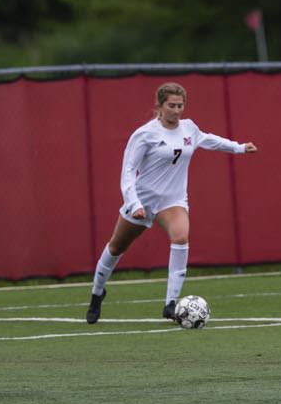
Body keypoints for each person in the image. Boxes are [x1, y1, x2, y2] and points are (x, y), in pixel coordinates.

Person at [85, 82, 256, 324]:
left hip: (172, 201)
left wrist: (239, 148)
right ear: (159, 106)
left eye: (180, 105)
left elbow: (209, 140)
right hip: (143, 201)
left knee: (181, 237)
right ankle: (97, 293)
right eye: (171, 105)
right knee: (115, 248)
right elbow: (128, 172)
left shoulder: (189, 129)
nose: (177, 110)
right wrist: (134, 204)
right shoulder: (145, 134)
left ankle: (170, 304)